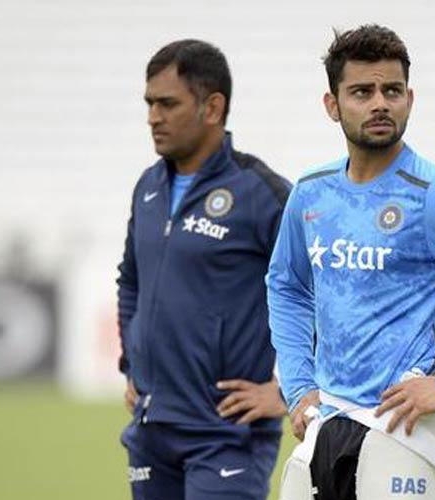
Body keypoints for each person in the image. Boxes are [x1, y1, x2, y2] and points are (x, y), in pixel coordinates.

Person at [267, 25, 435, 500]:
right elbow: (286, 285)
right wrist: (298, 387)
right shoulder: (311, 193)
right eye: (362, 92)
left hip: (402, 425)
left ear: (409, 99)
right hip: (327, 420)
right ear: (332, 105)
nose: (380, 103)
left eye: (392, 91)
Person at [116, 39, 290, 500]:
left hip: (226, 435)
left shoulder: (262, 193)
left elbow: (326, 289)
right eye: (149, 103)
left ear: (212, 107)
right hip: (152, 431)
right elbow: (131, 281)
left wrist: (288, 390)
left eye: (168, 104)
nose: (153, 117)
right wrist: (131, 363)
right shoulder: (148, 187)